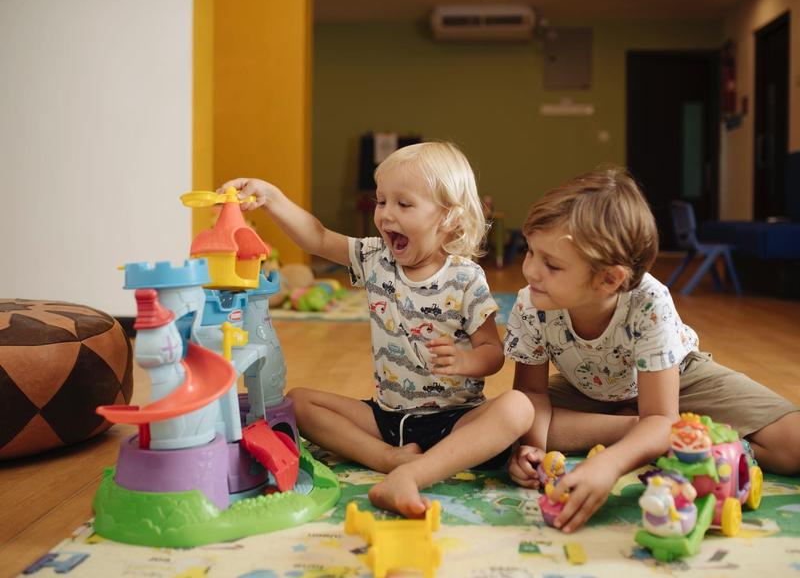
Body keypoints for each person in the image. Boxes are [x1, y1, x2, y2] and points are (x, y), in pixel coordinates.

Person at [220, 142, 534, 517]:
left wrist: (465, 361)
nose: (386, 215)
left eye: (404, 204)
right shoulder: (374, 259)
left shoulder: (466, 278)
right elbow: (317, 237)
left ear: (448, 218)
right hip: (387, 418)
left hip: (455, 420)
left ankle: (416, 470)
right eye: (382, 201)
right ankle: (390, 459)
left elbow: (492, 352)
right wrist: (272, 197)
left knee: (517, 408)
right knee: (299, 402)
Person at [504, 165, 800, 533]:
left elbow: (660, 414)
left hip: (678, 377)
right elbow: (531, 394)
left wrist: (612, 463)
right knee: (500, 421)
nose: (530, 270)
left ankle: (654, 433)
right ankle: (642, 429)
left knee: (793, 444)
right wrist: (533, 452)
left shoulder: (649, 301)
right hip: (589, 389)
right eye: (530, 251)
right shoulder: (531, 303)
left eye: (551, 264)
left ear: (609, 280)